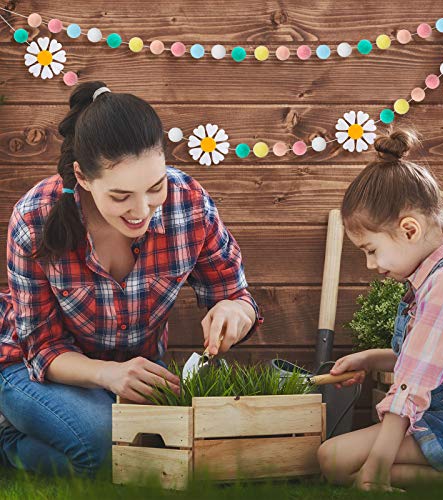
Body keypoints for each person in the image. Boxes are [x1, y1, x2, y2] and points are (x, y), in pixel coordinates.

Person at [0, 81, 261, 476]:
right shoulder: (34, 216)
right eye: (120, 196)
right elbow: (43, 349)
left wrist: (234, 310)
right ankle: (10, 441)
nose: (142, 211)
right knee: (110, 446)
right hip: (31, 369)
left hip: (133, 375)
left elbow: (235, 294)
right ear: (83, 178)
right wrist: (108, 375)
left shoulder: (188, 202)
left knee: (153, 458)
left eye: (155, 187)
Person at [317, 129, 443, 490]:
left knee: (335, 460)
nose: (370, 264)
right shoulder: (438, 275)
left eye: (371, 249)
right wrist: (371, 359)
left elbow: (412, 383)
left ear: (409, 230)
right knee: (334, 462)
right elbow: (435, 361)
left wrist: (377, 469)